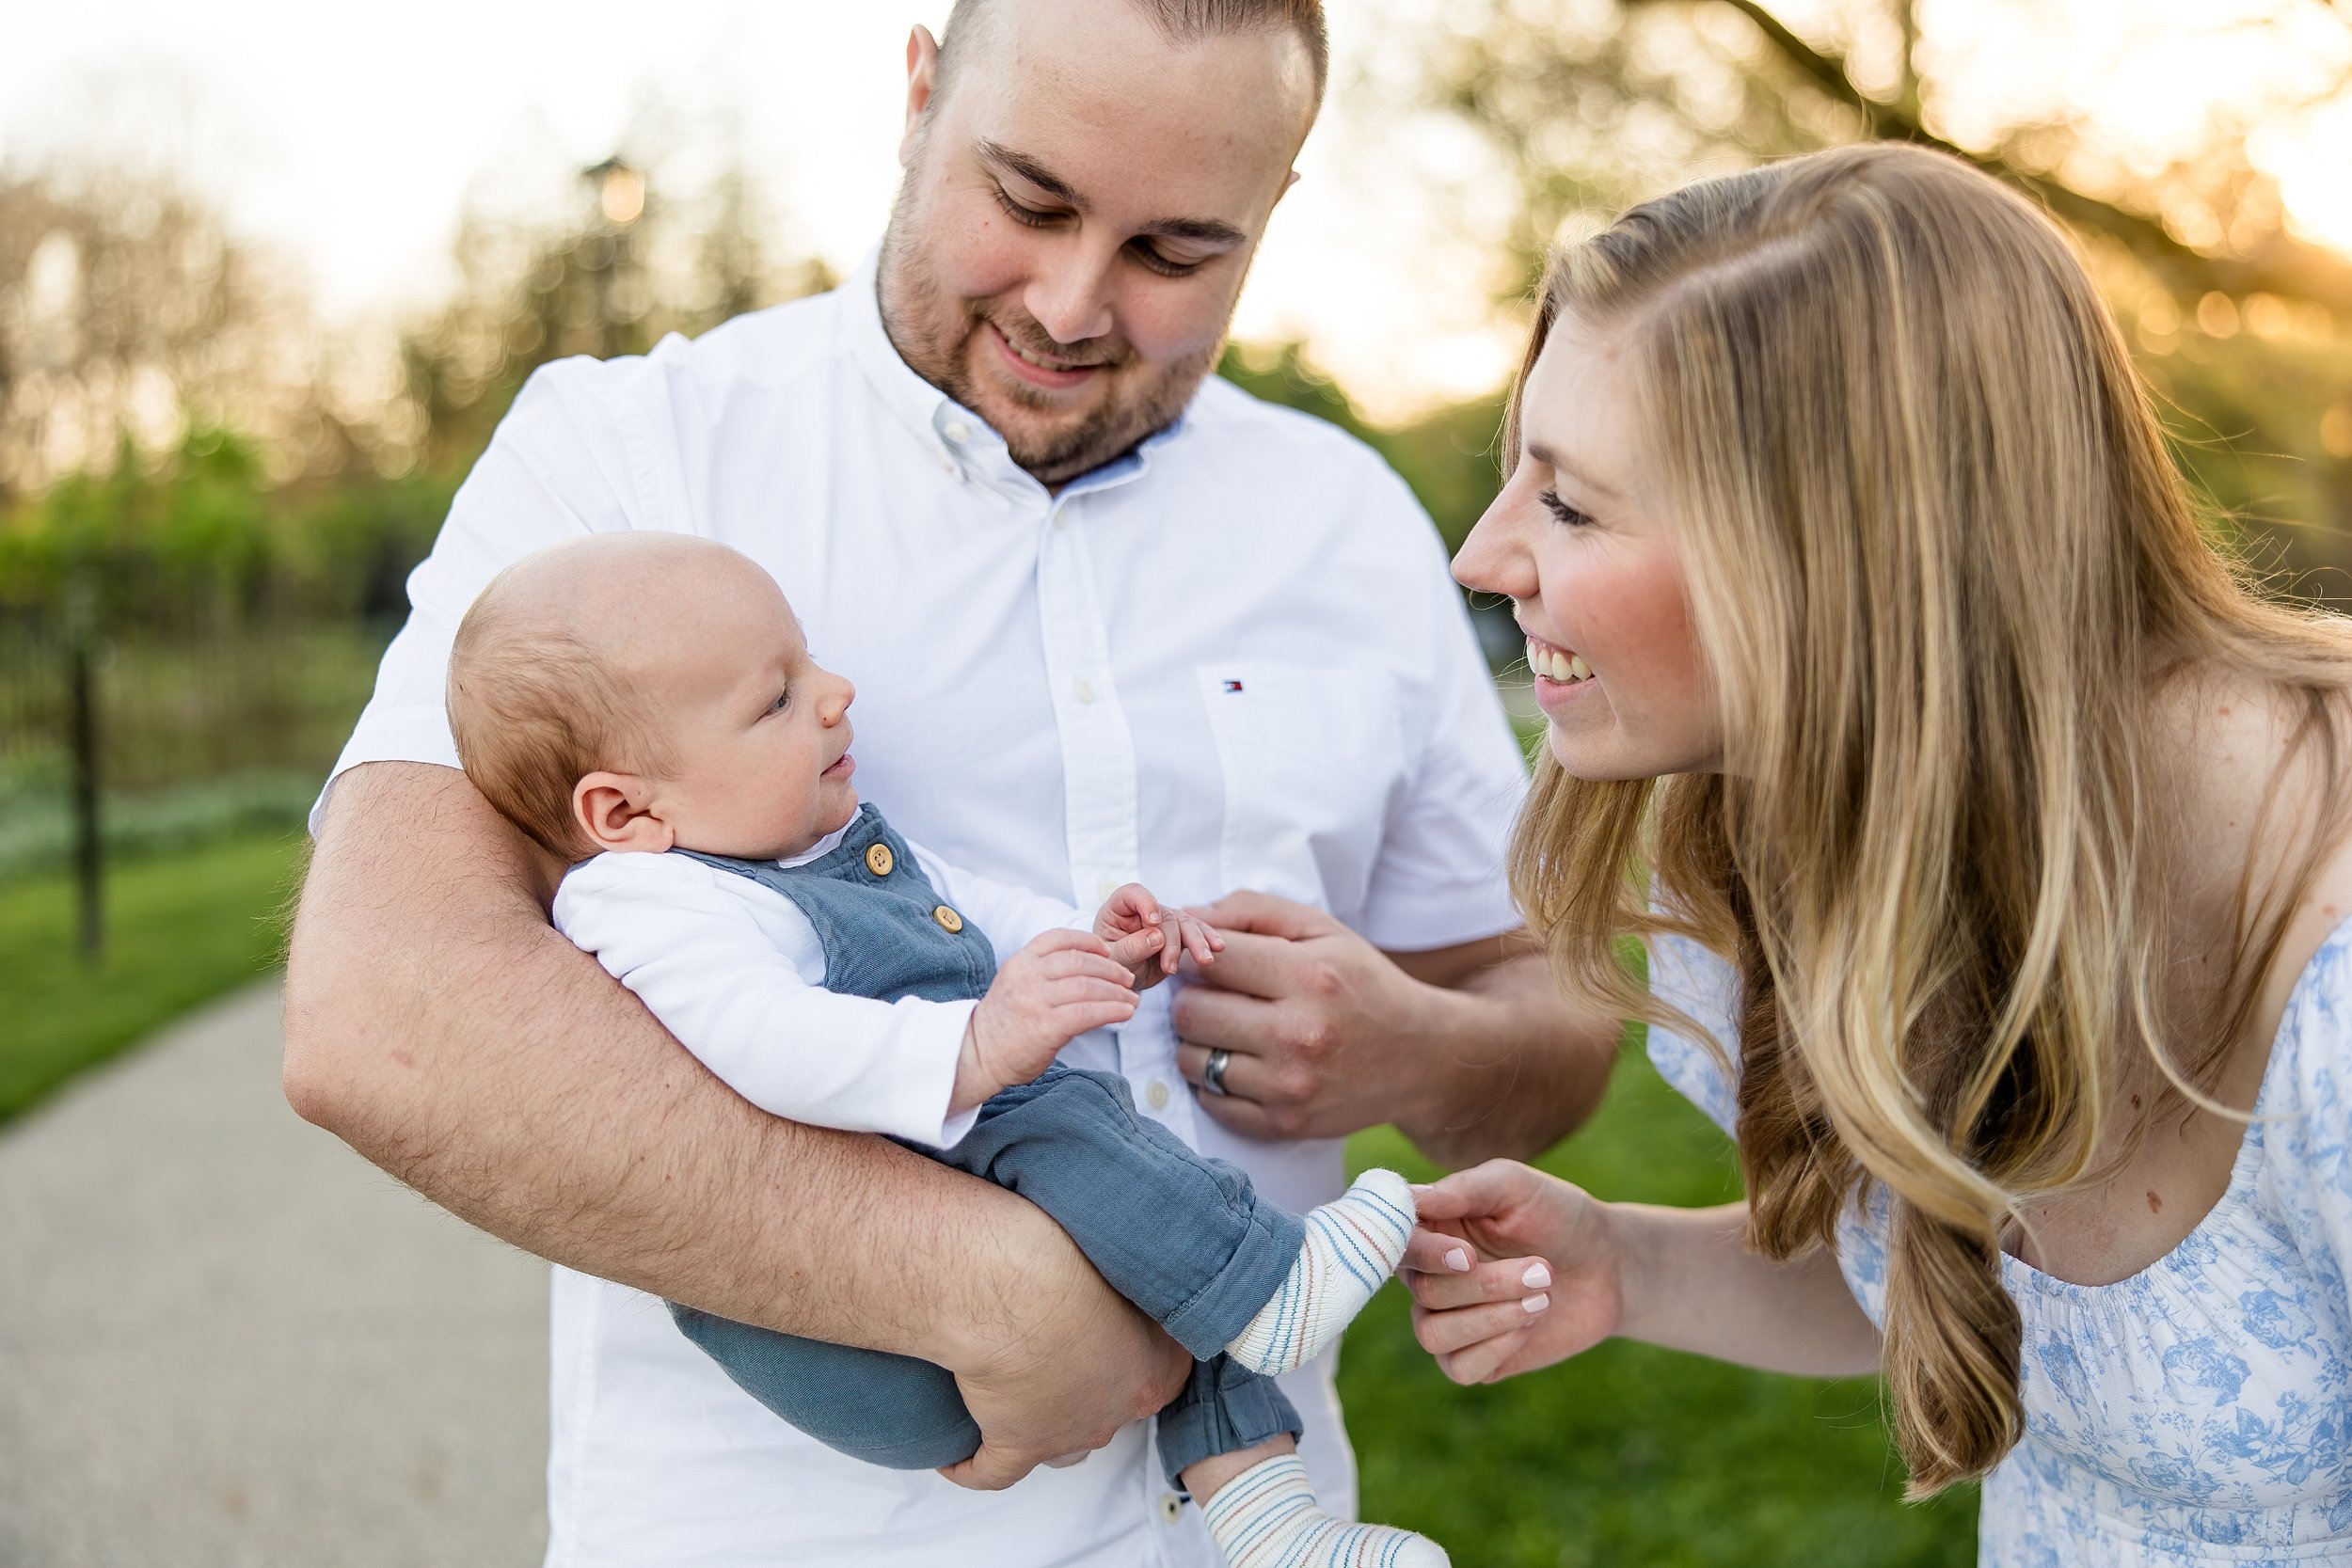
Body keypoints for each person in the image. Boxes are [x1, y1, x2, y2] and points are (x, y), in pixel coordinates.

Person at [281, 1, 1615, 1561]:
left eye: (1176, 252)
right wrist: (973, 1282)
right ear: (920, 93)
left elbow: (1553, 1009)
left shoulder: (1349, 520)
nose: (1068, 302)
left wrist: (1423, 1053)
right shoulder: (633, 457)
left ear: (1275, 207)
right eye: (1029, 200)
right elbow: (388, 1012)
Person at [1410, 141, 2352, 1563]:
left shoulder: (2329, 981)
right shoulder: (1814, 822)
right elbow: (1959, 1286)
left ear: (1825, 563)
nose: (1483, 555)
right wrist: (1624, 1260)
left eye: (1572, 501)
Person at [447, 531, 1446, 1568]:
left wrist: (1094, 943)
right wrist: (976, 1044)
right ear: (625, 808)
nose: (835, 692)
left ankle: (1267, 1519)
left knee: (1144, 1234)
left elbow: (972, 915)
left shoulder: (827, 839)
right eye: (776, 699)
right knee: (1057, 1114)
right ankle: (1268, 1283)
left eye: (809, 662)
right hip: (854, 1338)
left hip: (938, 1217)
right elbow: (766, 1042)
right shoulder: (649, 898)